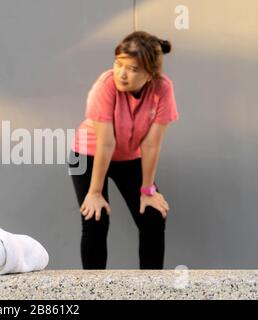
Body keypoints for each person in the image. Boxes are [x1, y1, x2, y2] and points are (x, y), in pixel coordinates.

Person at [69, 31, 179, 269]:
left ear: (150, 74)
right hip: (89, 153)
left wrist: (148, 190)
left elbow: (151, 144)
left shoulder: (163, 89)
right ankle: (93, 290)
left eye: (133, 68)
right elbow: (105, 143)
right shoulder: (105, 86)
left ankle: (151, 289)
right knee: (96, 218)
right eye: (118, 64)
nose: (122, 73)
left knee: (153, 217)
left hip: (129, 157)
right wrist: (95, 192)